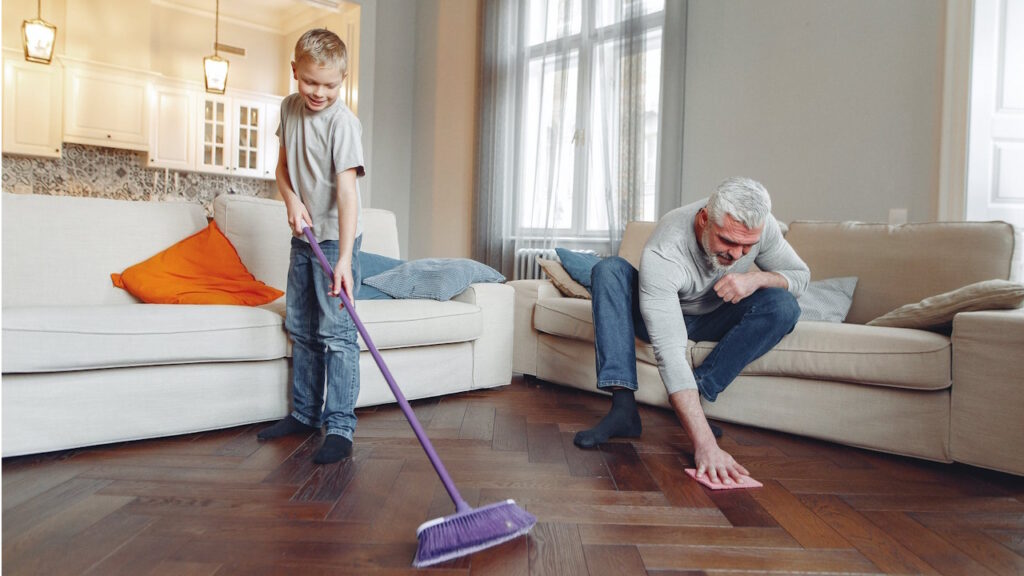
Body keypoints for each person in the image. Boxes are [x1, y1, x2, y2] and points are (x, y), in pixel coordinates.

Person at [573, 177, 809, 484]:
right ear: (704, 219)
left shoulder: (761, 229)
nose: (737, 255)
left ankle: (696, 392)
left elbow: (800, 276)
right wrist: (705, 446)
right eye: (727, 242)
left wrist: (756, 279)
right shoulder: (666, 249)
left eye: (747, 246)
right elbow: (670, 351)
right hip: (656, 312)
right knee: (608, 270)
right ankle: (623, 409)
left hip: (713, 314)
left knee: (784, 306)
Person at [256, 29, 366, 465]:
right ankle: (304, 414)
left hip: (337, 238)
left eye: (330, 84)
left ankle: (339, 427)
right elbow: (281, 170)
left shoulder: (344, 123)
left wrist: (343, 260)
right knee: (302, 329)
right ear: (294, 72)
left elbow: (347, 193)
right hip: (304, 239)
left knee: (337, 335)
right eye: (310, 82)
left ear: (343, 79)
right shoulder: (288, 108)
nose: (319, 92)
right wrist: (291, 200)